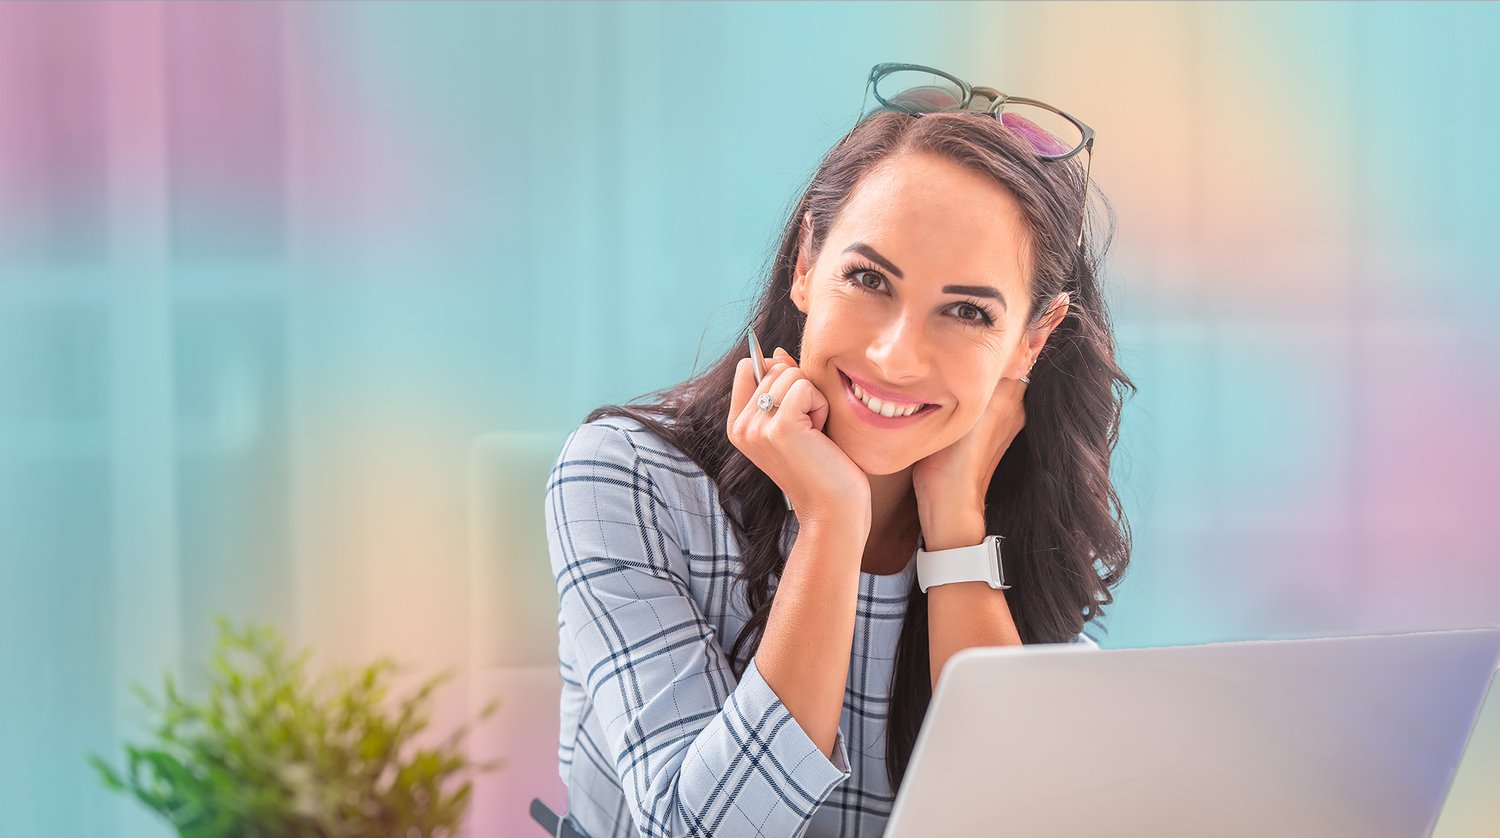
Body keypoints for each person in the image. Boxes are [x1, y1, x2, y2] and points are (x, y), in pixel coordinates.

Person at [542, 63, 1134, 838]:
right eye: (869, 279)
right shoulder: (627, 479)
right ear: (805, 264)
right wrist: (829, 521)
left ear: (1032, 340)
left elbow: (1025, 821)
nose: (895, 357)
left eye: (965, 310)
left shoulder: (1013, 520)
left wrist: (954, 525)